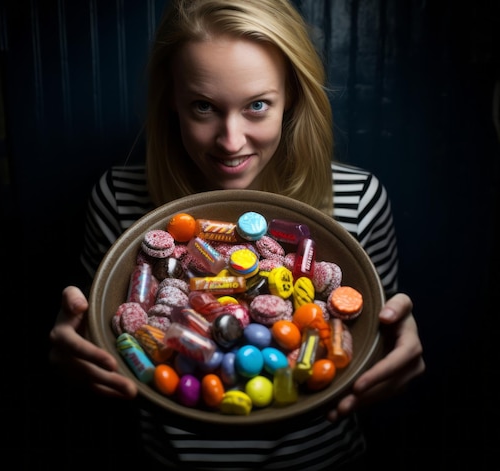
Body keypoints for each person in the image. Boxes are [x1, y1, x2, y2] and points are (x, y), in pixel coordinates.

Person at [49, 0, 425, 469]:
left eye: (257, 105)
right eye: (203, 106)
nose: (230, 141)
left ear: (293, 98)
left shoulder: (360, 198)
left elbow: (368, 335)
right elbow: (108, 338)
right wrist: (74, 358)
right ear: (171, 100)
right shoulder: (117, 198)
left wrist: (392, 347)